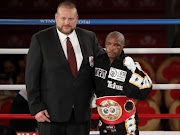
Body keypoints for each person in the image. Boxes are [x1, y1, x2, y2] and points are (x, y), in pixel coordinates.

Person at [25, 1, 103, 135]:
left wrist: (124, 61)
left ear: (77, 19)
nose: (66, 22)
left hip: (81, 113)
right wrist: (36, 107)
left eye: (70, 19)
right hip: (50, 113)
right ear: (56, 17)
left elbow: (102, 64)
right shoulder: (40, 39)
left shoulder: (89, 37)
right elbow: (31, 76)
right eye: (63, 18)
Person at [94, 31, 152, 135]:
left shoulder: (130, 64)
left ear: (122, 47)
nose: (111, 48)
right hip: (105, 118)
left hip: (126, 121)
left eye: (116, 45)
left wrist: (134, 70)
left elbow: (146, 90)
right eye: (108, 44)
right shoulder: (98, 61)